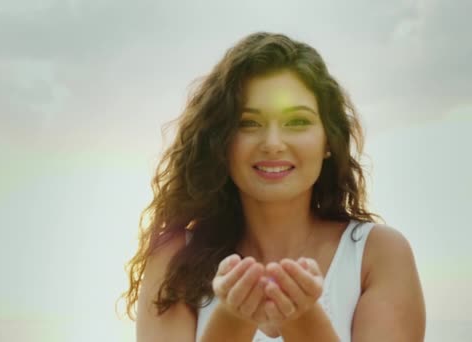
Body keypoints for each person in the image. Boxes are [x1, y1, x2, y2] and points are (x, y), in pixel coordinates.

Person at [120, 32, 426, 341]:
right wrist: (232, 319)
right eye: (249, 123)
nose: (273, 144)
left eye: (297, 122)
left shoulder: (377, 254)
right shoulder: (174, 257)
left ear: (328, 141)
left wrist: (304, 318)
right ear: (221, 142)